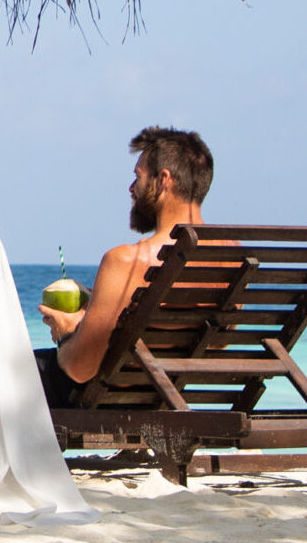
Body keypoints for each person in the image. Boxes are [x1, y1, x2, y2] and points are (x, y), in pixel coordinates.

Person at [36, 126, 214, 405]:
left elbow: (80, 369)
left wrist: (67, 333)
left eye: (138, 177)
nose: (131, 188)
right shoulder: (235, 259)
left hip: (117, 399)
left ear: (163, 179)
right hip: (175, 396)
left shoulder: (126, 261)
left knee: (11, 368)